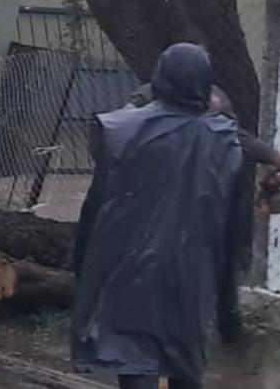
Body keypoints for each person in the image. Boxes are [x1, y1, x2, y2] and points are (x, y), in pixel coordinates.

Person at [72, 44, 246, 389]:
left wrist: (83, 269)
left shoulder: (120, 131)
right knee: (186, 366)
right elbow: (232, 235)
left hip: (131, 271)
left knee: (135, 360)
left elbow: (95, 209)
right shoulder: (227, 143)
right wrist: (228, 308)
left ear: (160, 78)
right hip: (192, 275)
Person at [126, 72, 280, 343]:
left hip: (218, 192)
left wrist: (273, 156)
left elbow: (235, 135)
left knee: (226, 261)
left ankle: (229, 329)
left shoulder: (215, 98)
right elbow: (122, 134)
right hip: (168, 198)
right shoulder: (148, 98)